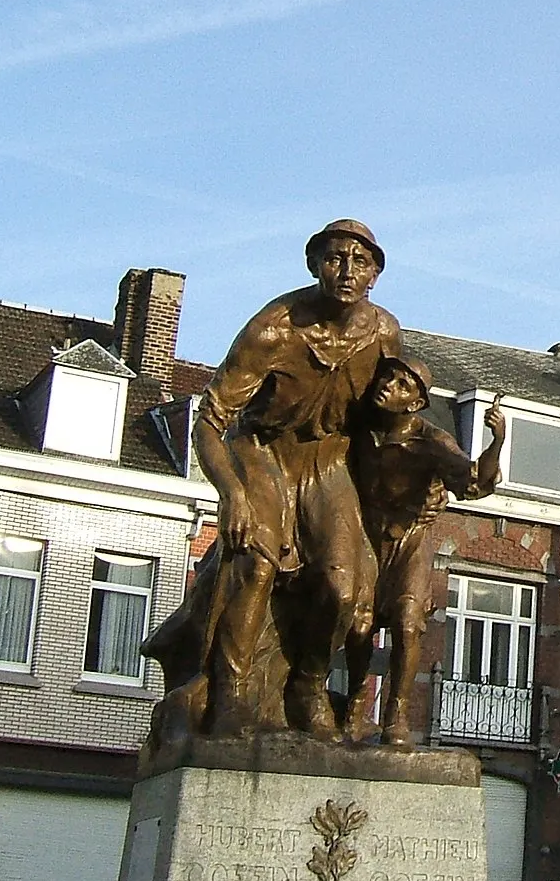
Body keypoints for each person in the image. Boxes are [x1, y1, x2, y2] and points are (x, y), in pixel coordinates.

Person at [191, 219, 402, 739]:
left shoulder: (384, 333)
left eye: (360, 262)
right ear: (314, 265)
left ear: (375, 274)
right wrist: (232, 492)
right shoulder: (274, 328)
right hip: (262, 450)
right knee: (258, 566)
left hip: (329, 460)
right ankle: (230, 695)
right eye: (334, 258)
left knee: (342, 586)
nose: (346, 271)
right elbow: (209, 421)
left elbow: (394, 415)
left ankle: (308, 685)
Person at [345, 356, 506, 746]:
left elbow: (474, 483)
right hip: (367, 537)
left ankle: (396, 714)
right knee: (358, 622)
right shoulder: (358, 429)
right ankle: (353, 704)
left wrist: (497, 441)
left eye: (403, 385)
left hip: (412, 540)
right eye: (388, 377)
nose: (389, 386)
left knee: (406, 620)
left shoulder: (432, 442)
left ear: (415, 403)